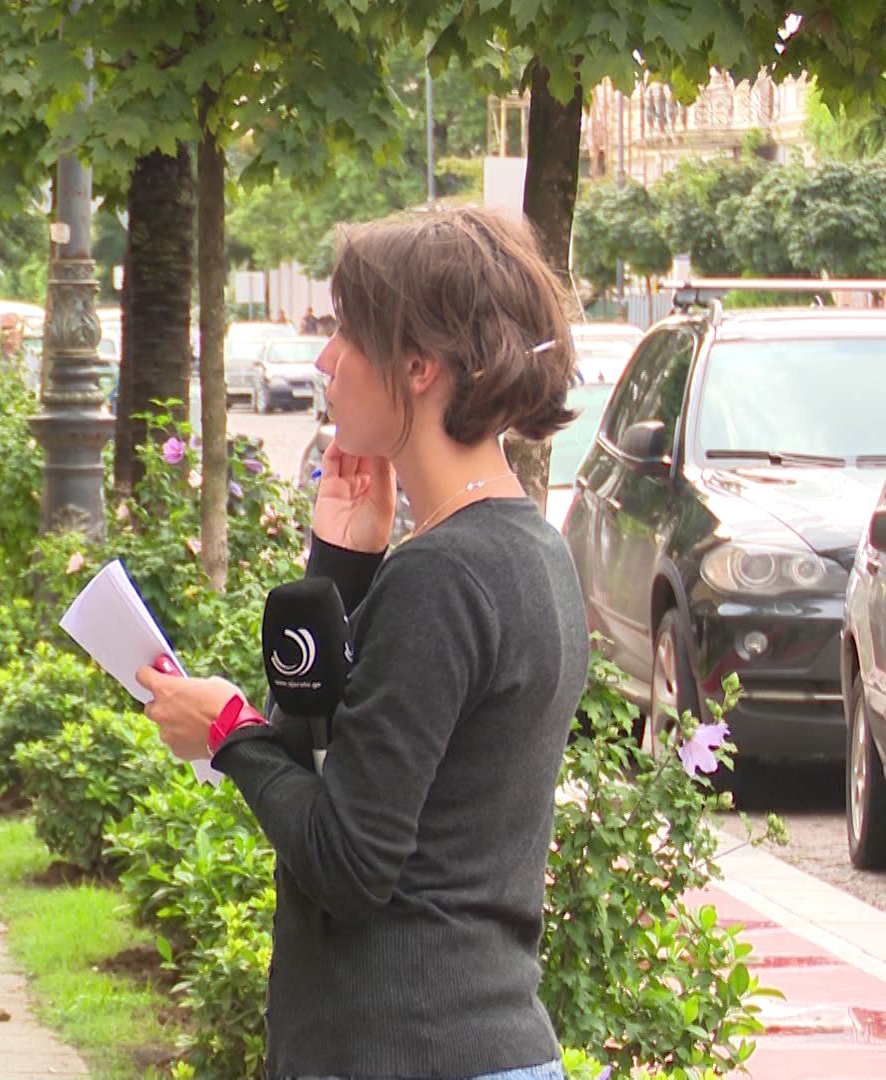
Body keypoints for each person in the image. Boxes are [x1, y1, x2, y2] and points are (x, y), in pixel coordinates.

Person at [136, 206, 585, 1080]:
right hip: (469, 1044)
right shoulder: (528, 551)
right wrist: (341, 569)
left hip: (408, 1049)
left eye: (347, 332)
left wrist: (227, 731)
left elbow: (346, 862)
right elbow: (334, 767)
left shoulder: (443, 578)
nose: (324, 360)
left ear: (418, 366)